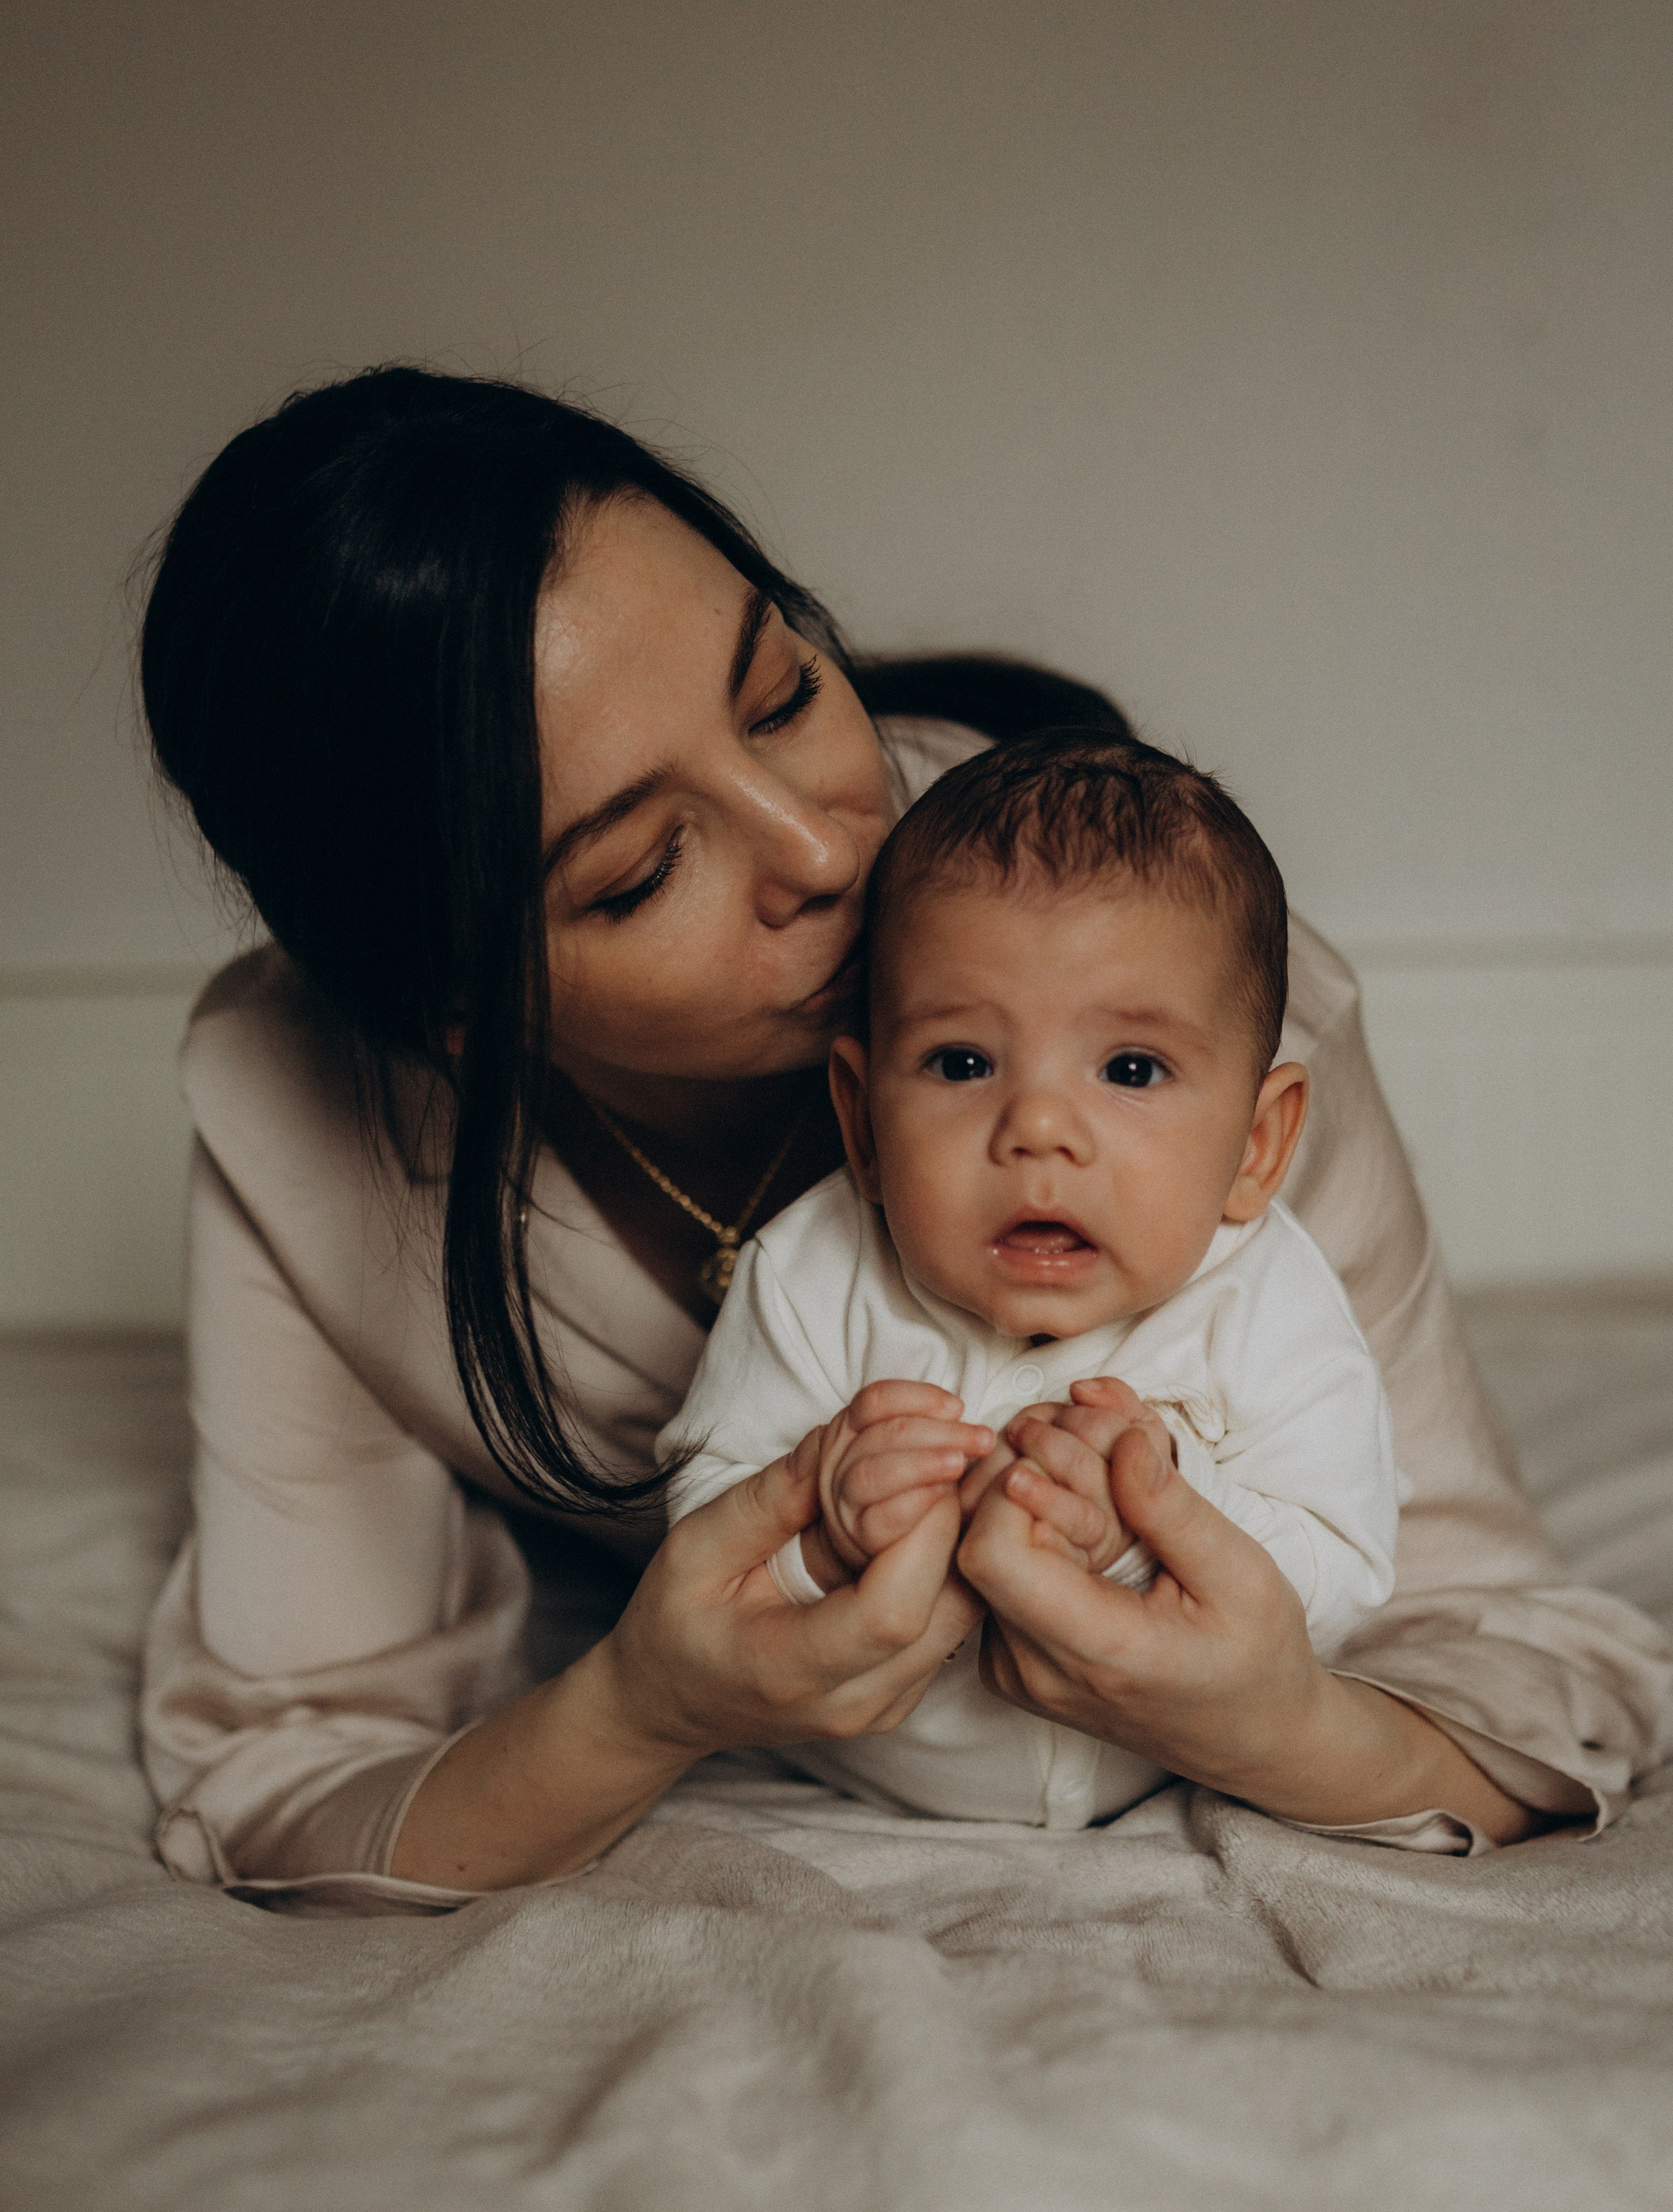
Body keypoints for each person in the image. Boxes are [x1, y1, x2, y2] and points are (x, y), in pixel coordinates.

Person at [135, 365, 1669, 1911]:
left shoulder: (1206, 1053)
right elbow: (289, 1772)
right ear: (453, 1013)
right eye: (642, 869)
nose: (822, 846)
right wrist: (643, 1706)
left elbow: (1524, 1665)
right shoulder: (297, 1103)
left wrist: (1282, 1724)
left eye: (787, 694)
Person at [661, 731, 1406, 1833]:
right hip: (861, 1793)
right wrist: (821, 1534)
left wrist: (1152, 1530)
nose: (1040, 1128)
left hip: (1163, 1785)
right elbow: (699, 1537)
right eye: (963, 1063)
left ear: (1256, 1145)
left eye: (1132, 1069)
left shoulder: (1270, 1302)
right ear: (862, 1122)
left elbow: (1347, 1572)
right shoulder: (812, 1277)